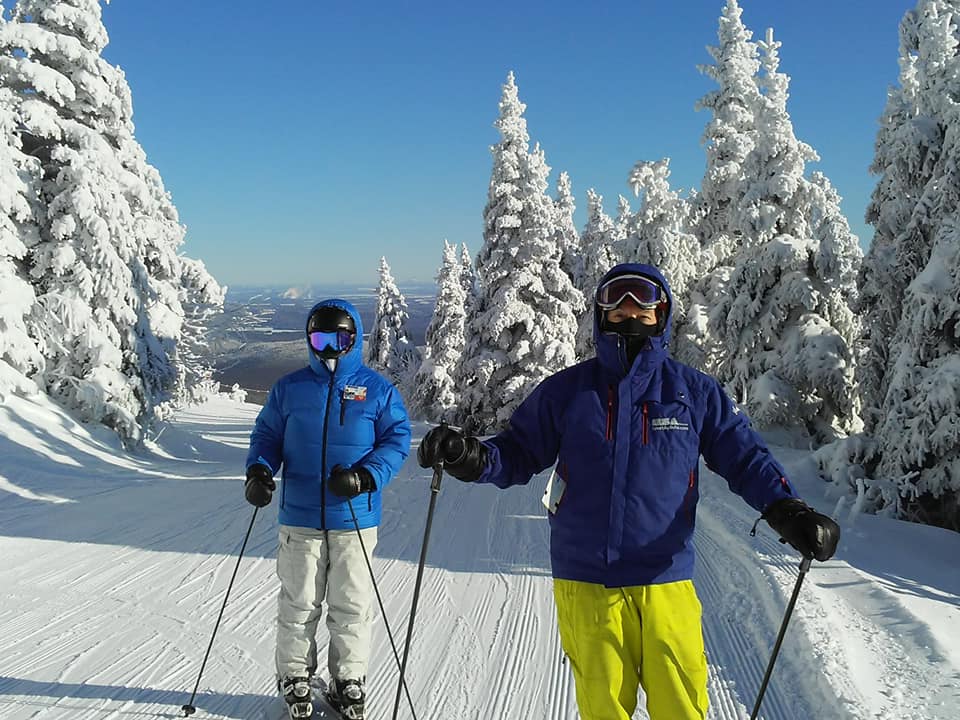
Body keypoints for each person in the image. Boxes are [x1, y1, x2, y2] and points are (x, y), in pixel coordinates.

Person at [417, 263, 840, 720]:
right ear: (600, 315)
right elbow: (517, 452)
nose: (629, 313)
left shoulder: (692, 392)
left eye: (642, 302)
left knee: (682, 707)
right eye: (616, 304)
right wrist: (469, 457)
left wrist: (786, 508)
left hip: (666, 581)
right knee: (603, 711)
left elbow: (744, 457)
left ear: (662, 313)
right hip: (586, 583)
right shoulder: (568, 392)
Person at [245, 299, 411, 720]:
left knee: (352, 603)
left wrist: (366, 475)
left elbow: (397, 439)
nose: (329, 348)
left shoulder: (377, 390)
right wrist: (260, 471)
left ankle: (349, 680)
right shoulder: (290, 388)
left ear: (354, 338)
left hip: (355, 517)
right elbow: (266, 436)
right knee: (299, 602)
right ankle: (296, 676)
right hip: (299, 517)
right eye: (320, 338)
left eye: (340, 338)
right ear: (309, 339)